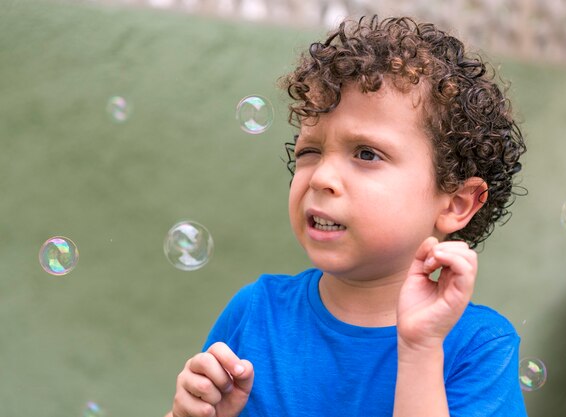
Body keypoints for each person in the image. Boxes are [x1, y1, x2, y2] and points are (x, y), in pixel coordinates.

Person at [166, 15, 528, 417]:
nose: (321, 177)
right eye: (309, 152)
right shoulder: (255, 312)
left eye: (366, 154)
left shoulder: (479, 347)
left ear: (456, 203)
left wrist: (421, 348)